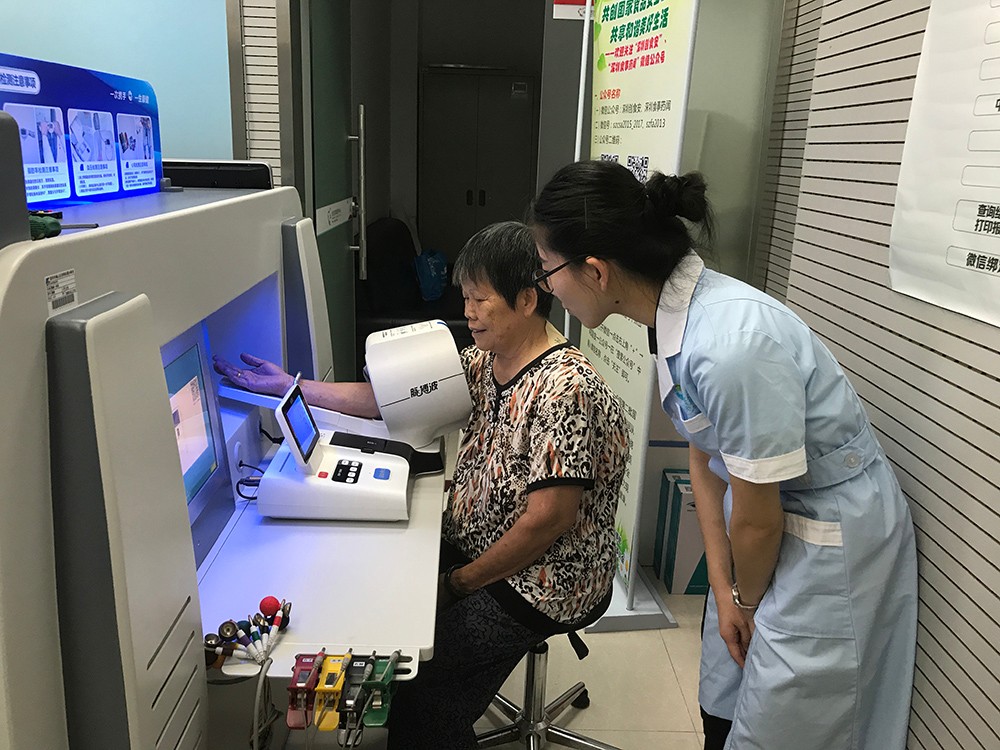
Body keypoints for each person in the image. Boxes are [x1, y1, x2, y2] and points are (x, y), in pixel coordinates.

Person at [527, 160, 918, 750]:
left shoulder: (730, 345)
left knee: (787, 720)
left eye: (547, 268)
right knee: (727, 693)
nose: (545, 285)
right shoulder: (668, 317)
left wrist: (745, 596)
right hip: (761, 524)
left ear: (597, 270)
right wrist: (722, 577)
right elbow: (704, 453)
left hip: (825, 534)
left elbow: (760, 517)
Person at [214, 221, 628, 749]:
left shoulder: (564, 389)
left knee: (422, 690)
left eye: (480, 299)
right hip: (484, 541)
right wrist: (294, 387)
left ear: (527, 300)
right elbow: (391, 399)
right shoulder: (489, 360)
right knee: (376, 594)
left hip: (547, 580)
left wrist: (458, 584)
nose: (469, 311)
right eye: (465, 297)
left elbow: (548, 520)